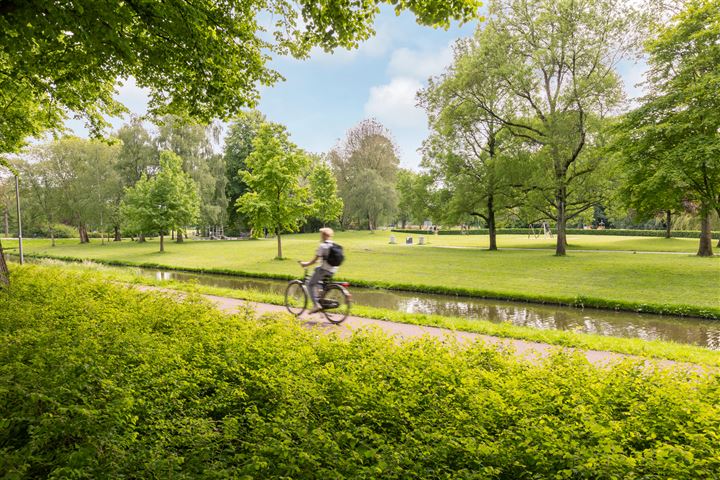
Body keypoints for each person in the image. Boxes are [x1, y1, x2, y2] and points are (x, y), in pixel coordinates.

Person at [298, 227, 339, 313]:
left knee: (309, 284)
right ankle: (321, 297)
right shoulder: (334, 245)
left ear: (323, 235)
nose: (320, 236)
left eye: (321, 234)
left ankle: (316, 305)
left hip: (324, 269)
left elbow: (315, 260)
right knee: (317, 277)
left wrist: (305, 264)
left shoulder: (323, 245)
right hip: (333, 270)